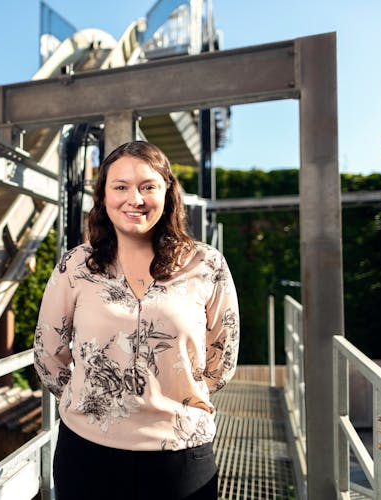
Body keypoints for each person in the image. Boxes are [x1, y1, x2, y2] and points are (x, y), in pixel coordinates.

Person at [33, 141, 239, 499]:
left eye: (148, 186)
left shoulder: (206, 265)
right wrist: (91, 401)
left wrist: (176, 401)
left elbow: (223, 355)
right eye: (121, 187)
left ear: (168, 193)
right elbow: (48, 352)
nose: (135, 199)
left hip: (181, 456)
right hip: (88, 454)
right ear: (103, 196)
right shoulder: (75, 266)